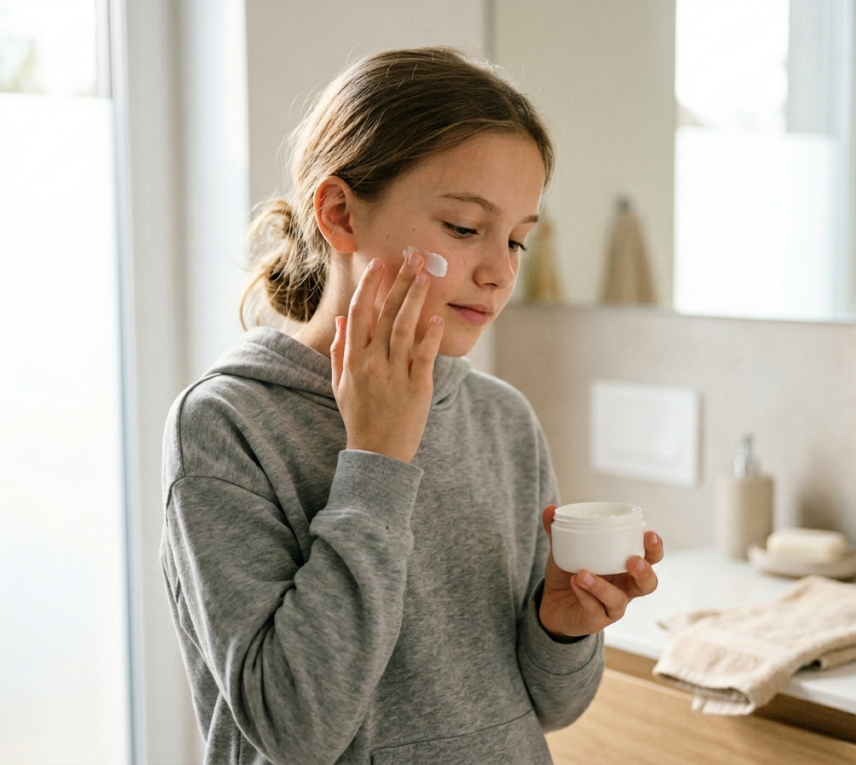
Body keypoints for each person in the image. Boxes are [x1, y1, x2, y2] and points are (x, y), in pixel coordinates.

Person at [160, 46, 663, 765]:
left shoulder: (503, 420)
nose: (500, 272)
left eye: (518, 240)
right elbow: (294, 729)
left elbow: (555, 707)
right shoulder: (225, 426)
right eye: (463, 228)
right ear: (339, 214)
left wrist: (560, 625)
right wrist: (377, 457)